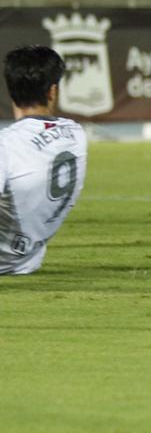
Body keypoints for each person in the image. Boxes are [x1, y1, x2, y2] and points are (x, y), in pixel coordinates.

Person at [1, 47, 86, 276]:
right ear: (52, 91)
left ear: (11, 93)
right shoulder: (76, 135)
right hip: (26, 261)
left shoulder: (6, 144)